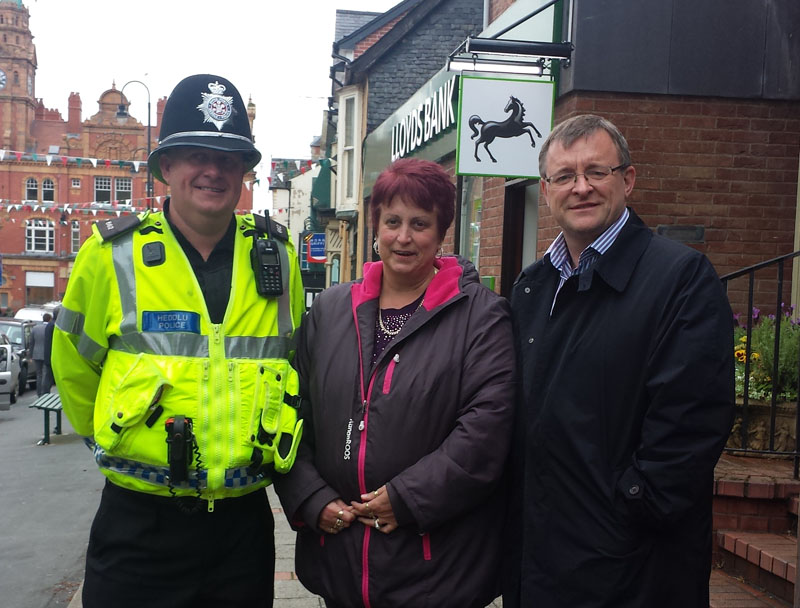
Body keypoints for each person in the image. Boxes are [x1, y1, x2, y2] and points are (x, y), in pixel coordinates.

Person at [52, 74, 305, 608]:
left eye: (230, 158)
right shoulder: (109, 255)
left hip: (242, 527)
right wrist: (116, 444)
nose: (213, 170)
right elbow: (75, 372)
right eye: (196, 154)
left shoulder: (278, 258)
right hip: (139, 525)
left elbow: (294, 364)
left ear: (245, 172)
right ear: (166, 166)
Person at [503, 114, 734, 607]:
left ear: (627, 180)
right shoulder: (530, 288)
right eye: (565, 176)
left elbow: (690, 427)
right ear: (546, 191)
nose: (580, 187)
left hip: (634, 570)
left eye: (596, 172)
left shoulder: (680, 279)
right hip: (538, 563)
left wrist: (625, 510)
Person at [274, 158, 516, 608]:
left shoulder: (480, 316)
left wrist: (405, 499)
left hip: (433, 568)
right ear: (376, 226)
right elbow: (291, 412)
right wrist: (310, 497)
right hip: (340, 558)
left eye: (420, 223)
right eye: (392, 222)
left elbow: (486, 431)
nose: (403, 237)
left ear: (442, 231)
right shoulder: (329, 312)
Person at [30, 312, 51, 396]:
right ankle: (44, 393)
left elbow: (31, 342)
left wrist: (30, 355)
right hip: (46, 354)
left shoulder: (35, 328)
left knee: (39, 375)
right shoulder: (49, 328)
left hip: (36, 354)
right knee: (45, 374)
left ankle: (39, 393)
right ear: (49, 319)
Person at [41, 308, 57, 393]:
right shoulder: (54, 325)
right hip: (52, 356)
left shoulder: (50, 324)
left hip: (48, 355)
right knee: (48, 378)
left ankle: (44, 394)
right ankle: (45, 395)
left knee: (47, 377)